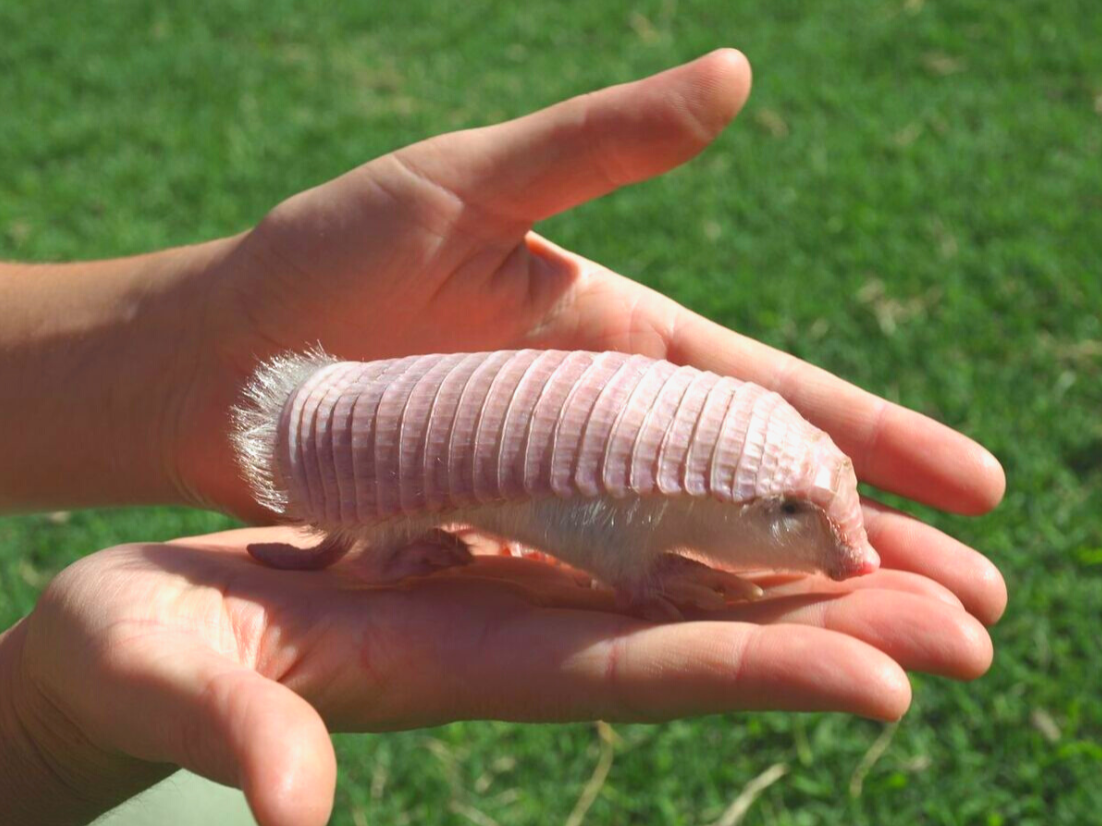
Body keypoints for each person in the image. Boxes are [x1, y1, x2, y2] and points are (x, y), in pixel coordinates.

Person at [0, 50, 1007, 826]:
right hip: (376, 447)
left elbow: (556, 501)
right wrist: (36, 732)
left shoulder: (683, 467)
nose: (843, 553)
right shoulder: (650, 483)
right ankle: (389, 540)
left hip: (384, 435)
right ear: (727, 487)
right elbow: (570, 516)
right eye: (795, 516)